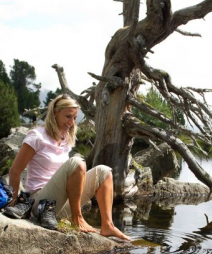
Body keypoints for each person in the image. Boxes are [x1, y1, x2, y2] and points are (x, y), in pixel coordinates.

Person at [7, 94, 130, 241]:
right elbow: (15, 171)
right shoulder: (36, 137)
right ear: (55, 113)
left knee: (104, 172)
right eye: (68, 117)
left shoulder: (65, 138)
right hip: (39, 204)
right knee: (77, 163)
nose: (72, 122)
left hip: (58, 207)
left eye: (74, 117)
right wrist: (14, 202)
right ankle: (77, 217)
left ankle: (107, 225)